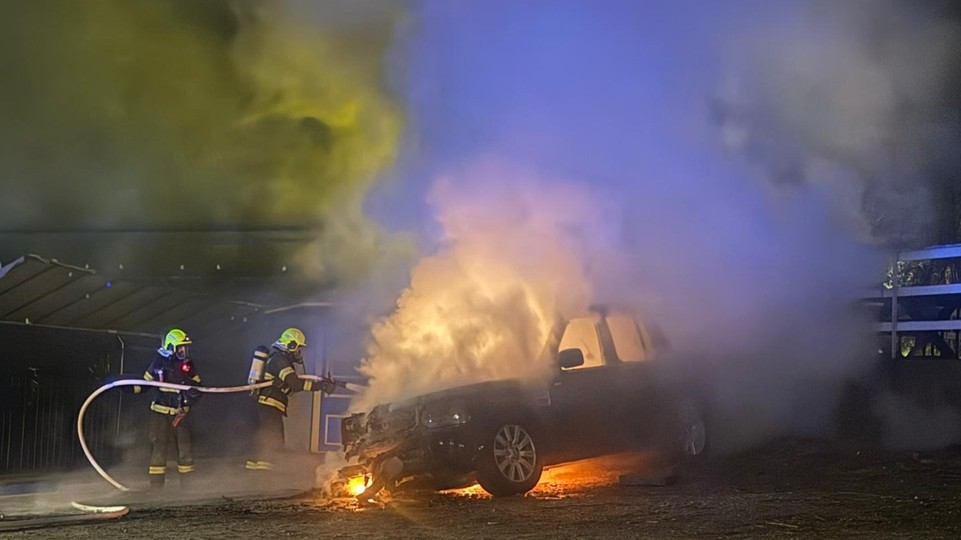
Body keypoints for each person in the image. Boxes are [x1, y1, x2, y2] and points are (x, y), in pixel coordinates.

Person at [245, 328, 332, 472]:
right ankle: (264, 471)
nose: (299, 353)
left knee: (270, 433)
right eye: (298, 348)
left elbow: (289, 388)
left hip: (271, 403)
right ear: (290, 346)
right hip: (269, 402)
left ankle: (260, 464)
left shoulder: (280, 360)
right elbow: (296, 384)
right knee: (273, 435)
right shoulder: (279, 361)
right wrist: (320, 386)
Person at [133, 328, 202, 489]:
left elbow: (198, 386)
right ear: (171, 347)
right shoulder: (159, 362)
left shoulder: (187, 365)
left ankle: (188, 488)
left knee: (185, 450)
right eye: (180, 347)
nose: (183, 351)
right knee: (159, 448)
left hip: (181, 414)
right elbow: (145, 384)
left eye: (184, 347)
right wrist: (128, 387)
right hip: (160, 413)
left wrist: (191, 394)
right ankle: (156, 488)